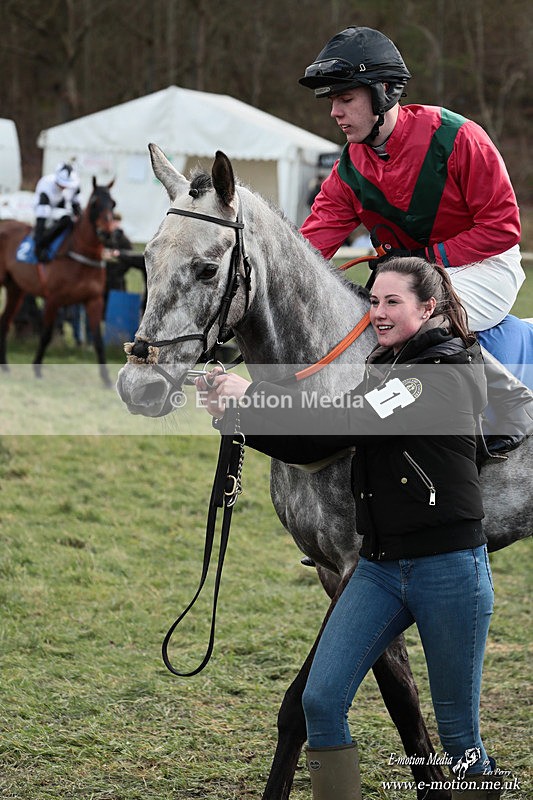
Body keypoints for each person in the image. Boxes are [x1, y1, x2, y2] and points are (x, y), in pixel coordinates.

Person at [196, 258, 507, 800]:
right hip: (380, 570)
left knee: (459, 739)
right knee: (321, 700)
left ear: (428, 308)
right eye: (375, 301)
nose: (378, 313)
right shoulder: (383, 369)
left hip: (448, 572)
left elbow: (343, 420)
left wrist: (251, 397)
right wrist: (236, 415)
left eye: (393, 302)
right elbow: (317, 437)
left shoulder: (443, 374)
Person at [297, 26, 526, 363]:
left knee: (408, 320)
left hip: (487, 267)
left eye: (345, 99)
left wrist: (426, 257)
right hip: (409, 280)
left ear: (384, 91)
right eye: (332, 101)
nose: (335, 112)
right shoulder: (347, 171)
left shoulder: (459, 138)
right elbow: (308, 249)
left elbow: (503, 229)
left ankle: (509, 409)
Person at [33, 162, 81, 262]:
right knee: (66, 219)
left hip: (61, 207)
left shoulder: (75, 185)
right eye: (62, 184)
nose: (64, 187)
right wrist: (38, 244)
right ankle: (44, 244)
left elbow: (76, 205)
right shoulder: (46, 185)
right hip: (45, 208)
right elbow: (42, 216)